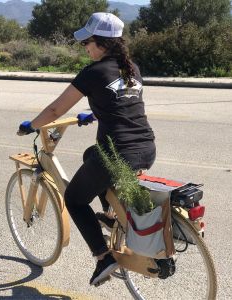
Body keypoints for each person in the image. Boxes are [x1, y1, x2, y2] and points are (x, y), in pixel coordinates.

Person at [18, 12, 156, 286]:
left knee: (75, 199)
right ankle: (109, 214)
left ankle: (103, 257)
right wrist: (92, 114)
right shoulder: (131, 67)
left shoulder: (93, 73)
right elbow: (121, 102)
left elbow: (56, 109)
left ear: (102, 42)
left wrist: (32, 126)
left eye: (87, 42)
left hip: (118, 153)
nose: (85, 47)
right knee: (90, 154)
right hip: (146, 148)